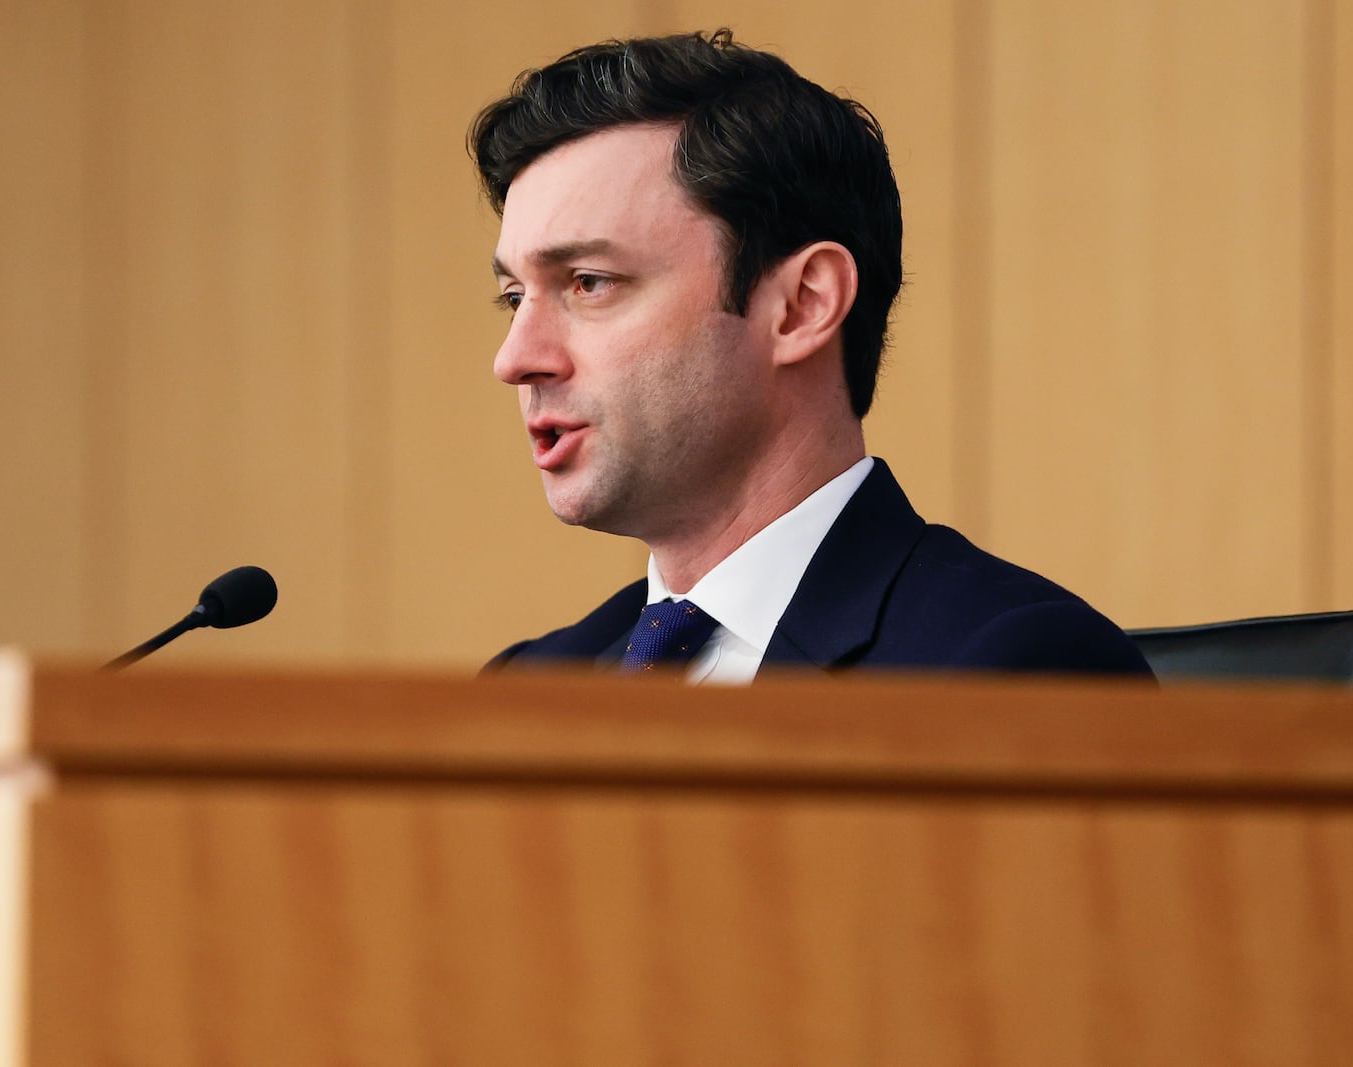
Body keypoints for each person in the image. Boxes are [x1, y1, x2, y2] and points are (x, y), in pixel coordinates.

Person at [472, 29, 1152, 682]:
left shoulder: (1008, 668)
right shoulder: (523, 687)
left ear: (802, 305)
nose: (515, 358)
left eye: (587, 282)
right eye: (513, 296)